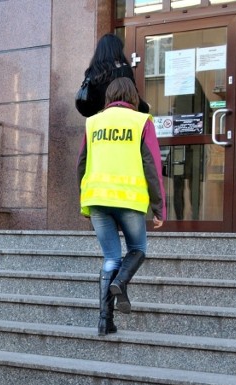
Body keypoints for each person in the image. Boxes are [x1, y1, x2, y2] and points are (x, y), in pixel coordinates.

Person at [77, 77, 166, 336]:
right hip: (128, 199)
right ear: (133, 97)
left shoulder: (93, 122)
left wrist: (84, 203)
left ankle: (105, 321)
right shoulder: (141, 121)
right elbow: (152, 167)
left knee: (111, 258)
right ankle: (121, 281)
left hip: (96, 199)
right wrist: (159, 207)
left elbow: (81, 164)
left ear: (109, 96)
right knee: (137, 248)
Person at [77, 33, 150, 117]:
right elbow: (133, 97)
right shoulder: (123, 70)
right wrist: (146, 107)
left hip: (97, 122)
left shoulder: (91, 72)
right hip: (120, 119)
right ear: (117, 50)